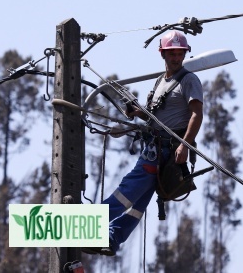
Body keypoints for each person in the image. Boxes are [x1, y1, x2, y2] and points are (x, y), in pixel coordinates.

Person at [82, 31, 204, 256]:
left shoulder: (189, 80)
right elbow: (155, 119)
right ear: (163, 54)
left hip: (165, 151)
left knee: (127, 192)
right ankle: (112, 237)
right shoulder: (161, 81)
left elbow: (197, 114)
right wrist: (137, 112)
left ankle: (88, 227)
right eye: (172, 54)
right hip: (155, 147)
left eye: (180, 54)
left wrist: (184, 145)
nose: (176, 58)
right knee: (139, 202)